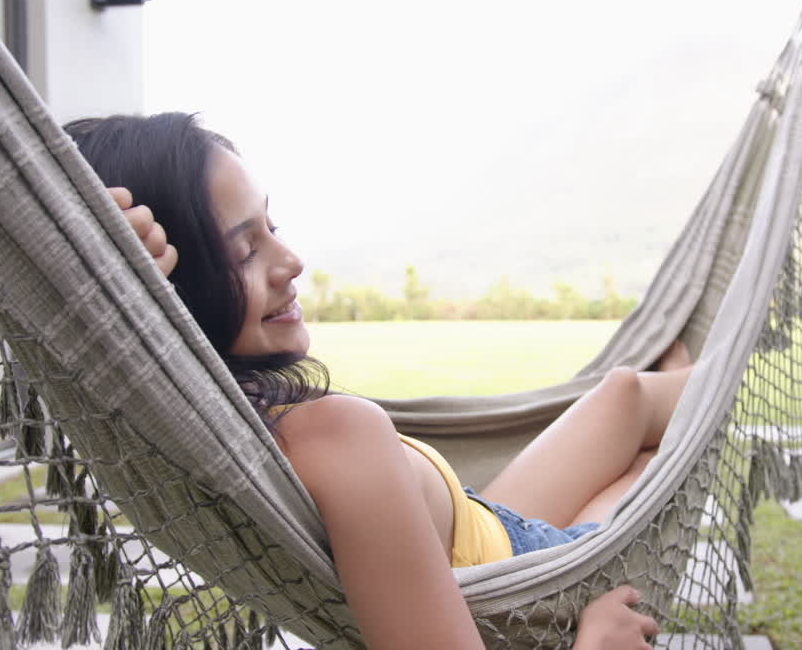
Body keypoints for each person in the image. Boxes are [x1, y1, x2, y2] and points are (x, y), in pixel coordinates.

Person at [65, 112, 693, 650]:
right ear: (181, 287)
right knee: (656, 453)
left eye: (271, 228)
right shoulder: (333, 435)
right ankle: (699, 372)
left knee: (623, 393)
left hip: (481, 528)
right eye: (244, 251)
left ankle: (683, 366)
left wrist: (133, 305)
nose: (292, 262)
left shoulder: (207, 427)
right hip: (539, 565)